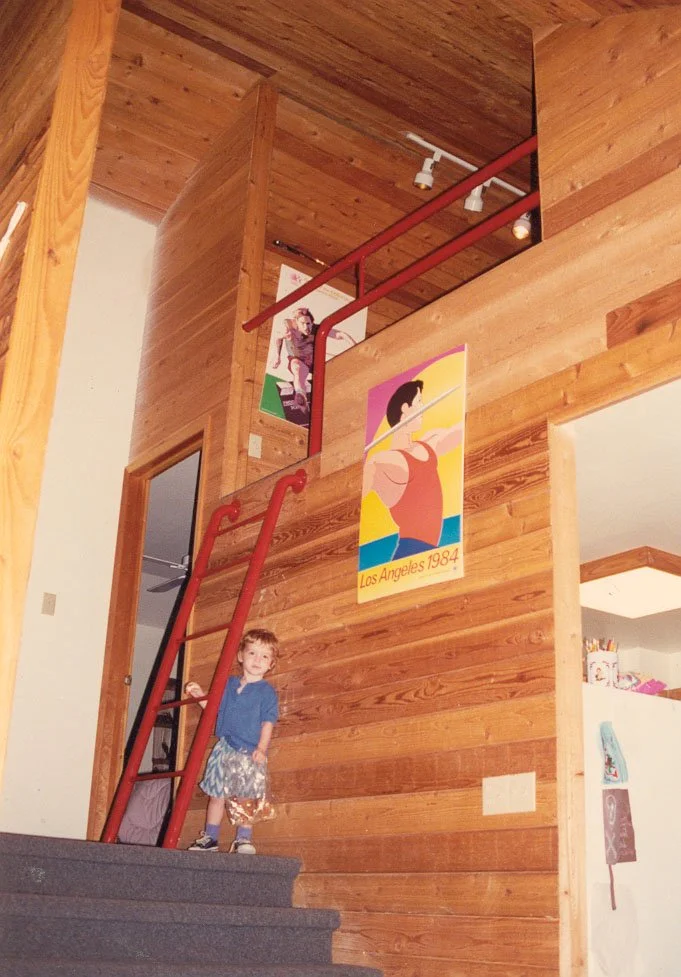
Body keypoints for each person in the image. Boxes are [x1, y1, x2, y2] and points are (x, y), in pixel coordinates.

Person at [186, 628, 279, 853]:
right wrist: (199, 696)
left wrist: (261, 748)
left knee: (245, 796)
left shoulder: (266, 692)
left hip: (250, 753)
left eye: (264, 656)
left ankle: (243, 838)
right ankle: (210, 837)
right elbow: (216, 711)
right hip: (225, 748)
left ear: (271, 664)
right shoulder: (228, 685)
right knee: (217, 794)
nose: (257, 660)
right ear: (240, 656)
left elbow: (268, 723)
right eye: (252, 653)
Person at [362, 379, 463, 560]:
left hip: (430, 554)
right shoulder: (382, 462)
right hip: (410, 552)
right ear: (405, 409)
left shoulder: (428, 443)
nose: (423, 408)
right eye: (419, 402)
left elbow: (458, 431)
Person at [271, 306, 357, 408]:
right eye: (302, 324)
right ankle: (300, 394)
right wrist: (277, 356)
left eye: (308, 324)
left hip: (315, 358)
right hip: (299, 360)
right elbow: (278, 339)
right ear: (297, 323)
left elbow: (340, 334)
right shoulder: (289, 330)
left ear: (312, 323)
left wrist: (355, 345)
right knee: (297, 368)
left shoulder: (317, 329)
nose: (306, 327)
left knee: (338, 370)